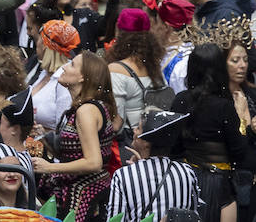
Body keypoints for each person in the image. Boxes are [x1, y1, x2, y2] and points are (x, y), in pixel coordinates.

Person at [33, 51, 122, 221]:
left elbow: (93, 162)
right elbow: (77, 152)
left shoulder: (86, 110)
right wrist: (43, 137)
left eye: (72, 64)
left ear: (83, 77)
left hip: (84, 195)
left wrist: (49, 168)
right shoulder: (87, 107)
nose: (64, 67)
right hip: (86, 190)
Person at [171, 42, 252, 222]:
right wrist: (242, 119)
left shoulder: (180, 101)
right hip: (219, 185)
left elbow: (174, 146)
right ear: (219, 70)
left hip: (186, 182)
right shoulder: (224, 106)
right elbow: (239, 153)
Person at [103, 109, 200, 222]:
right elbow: (191, 215)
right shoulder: (187, 172)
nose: (134, 130)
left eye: (138, 128)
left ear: (146, 143)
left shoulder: (123, 175)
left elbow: (115, 219)